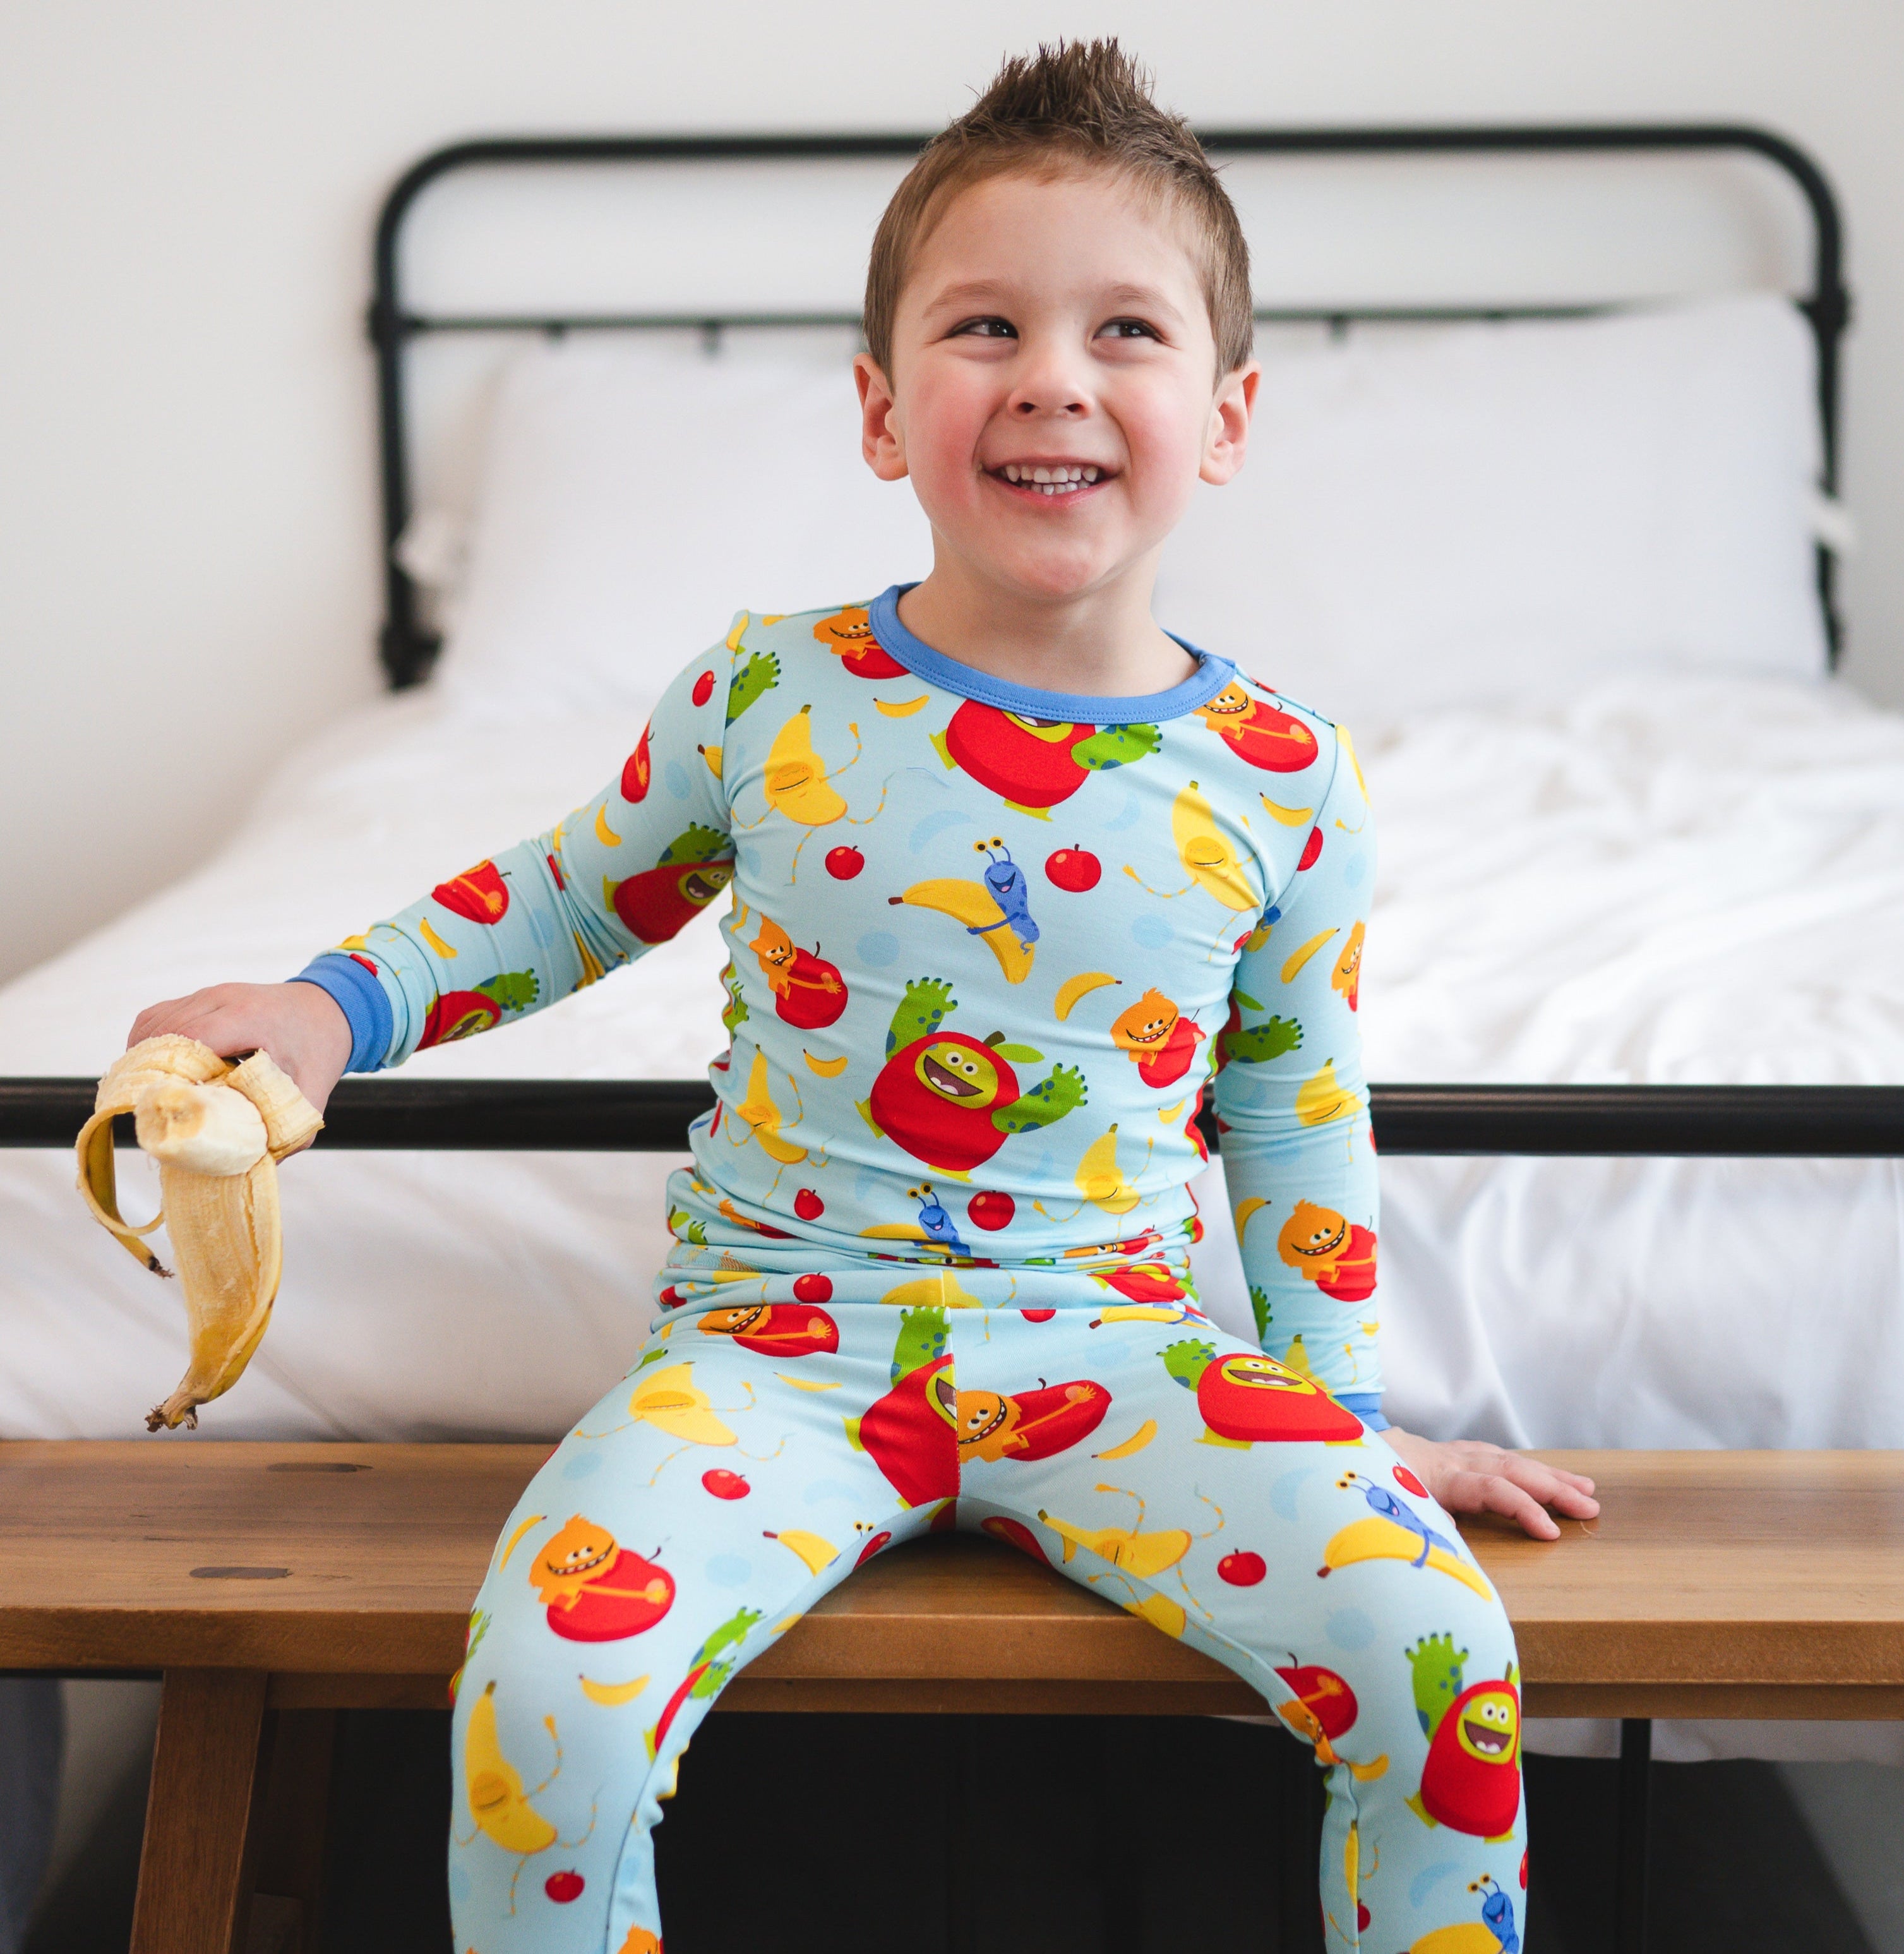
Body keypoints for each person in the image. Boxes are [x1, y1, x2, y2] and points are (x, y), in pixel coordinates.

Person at [131, 41, 1596, 1952]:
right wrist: (333, 1009)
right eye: (985, 325)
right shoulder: (770, 699)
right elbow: (562, 900)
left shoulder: (1285, 774)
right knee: (548, 1702)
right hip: (775, 1348)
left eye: (1125, 332)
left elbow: (1292, 1108)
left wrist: (1337, 1420)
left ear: (1224, 416)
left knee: (1437, 1658)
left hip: (1124, 1353)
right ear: (882, 409)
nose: (1054, 374)